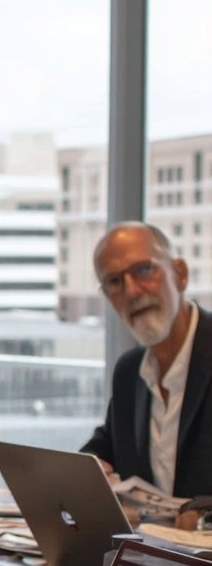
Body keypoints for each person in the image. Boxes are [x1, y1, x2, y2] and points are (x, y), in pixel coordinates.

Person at [81, 222, 212, 526]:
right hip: (149, 563)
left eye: (143, 270)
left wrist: (203, 512)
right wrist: (90, 470)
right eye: (114, 282)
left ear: (180, 274)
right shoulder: (129, 371)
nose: (131, 291)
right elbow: (106, 447)